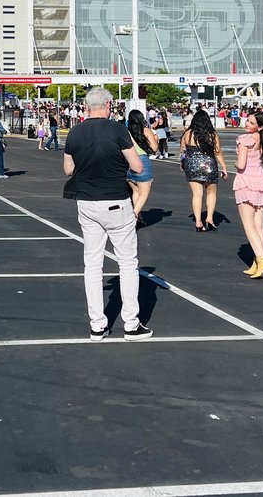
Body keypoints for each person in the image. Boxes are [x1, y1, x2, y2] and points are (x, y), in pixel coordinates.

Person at [63, 88, 151, 342]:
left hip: (87, 202)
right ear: (109, 105)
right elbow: (137, 166)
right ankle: (131, 324)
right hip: (116, 201)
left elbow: (68, 169)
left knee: (92, 263)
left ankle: (97, 325)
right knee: (127, 262)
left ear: (87, 106)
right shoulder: (117, 130)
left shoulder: (75, 131)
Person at [236, 112, 263, 280]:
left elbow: (241, 164)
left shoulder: (244, 139)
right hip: (260, 180)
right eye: (247, 120)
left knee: (249, 225)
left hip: (246, 180)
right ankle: (258, 262)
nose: (247, 124)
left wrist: (237, 161)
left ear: (259, 126)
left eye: (251, 122)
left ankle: (261, 259)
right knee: (259, 226)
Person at [180, 110, 228, 231]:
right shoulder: (212, 134)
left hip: (192, 165)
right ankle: (210, 218)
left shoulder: (187, 134)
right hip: (209, 165)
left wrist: (183, 164)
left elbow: (183, 152)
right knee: (211, 192)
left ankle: (198, 221)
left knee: (197, 194)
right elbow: (218, 152)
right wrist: (224, 167)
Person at [125, 109, 159, 226]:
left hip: (128, 162)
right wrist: (156, 140)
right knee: (144, 193)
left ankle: (138, 217)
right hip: (142, 161)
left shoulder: (126, 132)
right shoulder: (146, 131)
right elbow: (154, 149)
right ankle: (133, 216)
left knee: (136, 191)